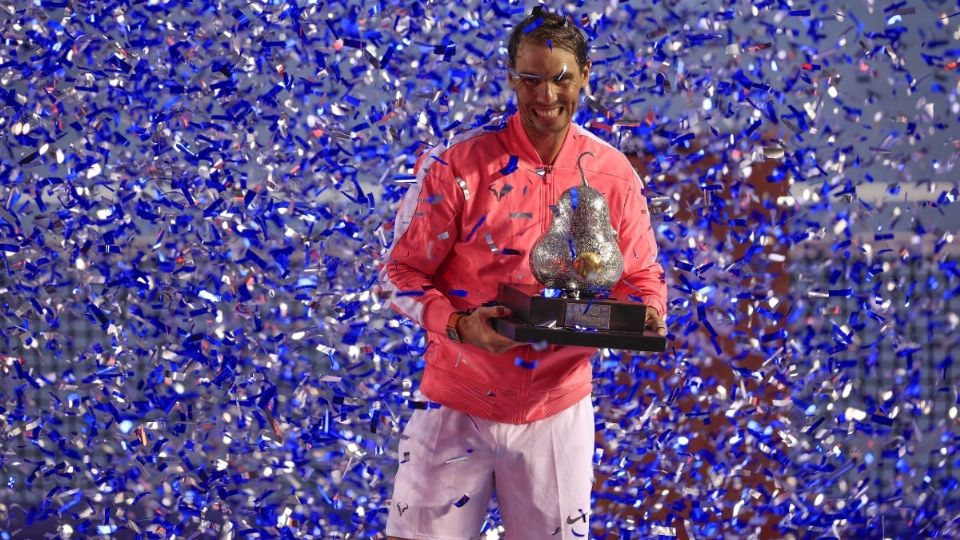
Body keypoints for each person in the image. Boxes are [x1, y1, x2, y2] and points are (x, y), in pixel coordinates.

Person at [379, 7, 667, 539]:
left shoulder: (612, 171)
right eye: (530, 80)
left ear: (584, 75)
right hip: (455, 403)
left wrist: (648, 310)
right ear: (512, 77)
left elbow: (641, 271)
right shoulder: (457, 164)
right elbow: (398, 273)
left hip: (559, 410)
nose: (546, 96)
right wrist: (460, 323)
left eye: (561, 79)